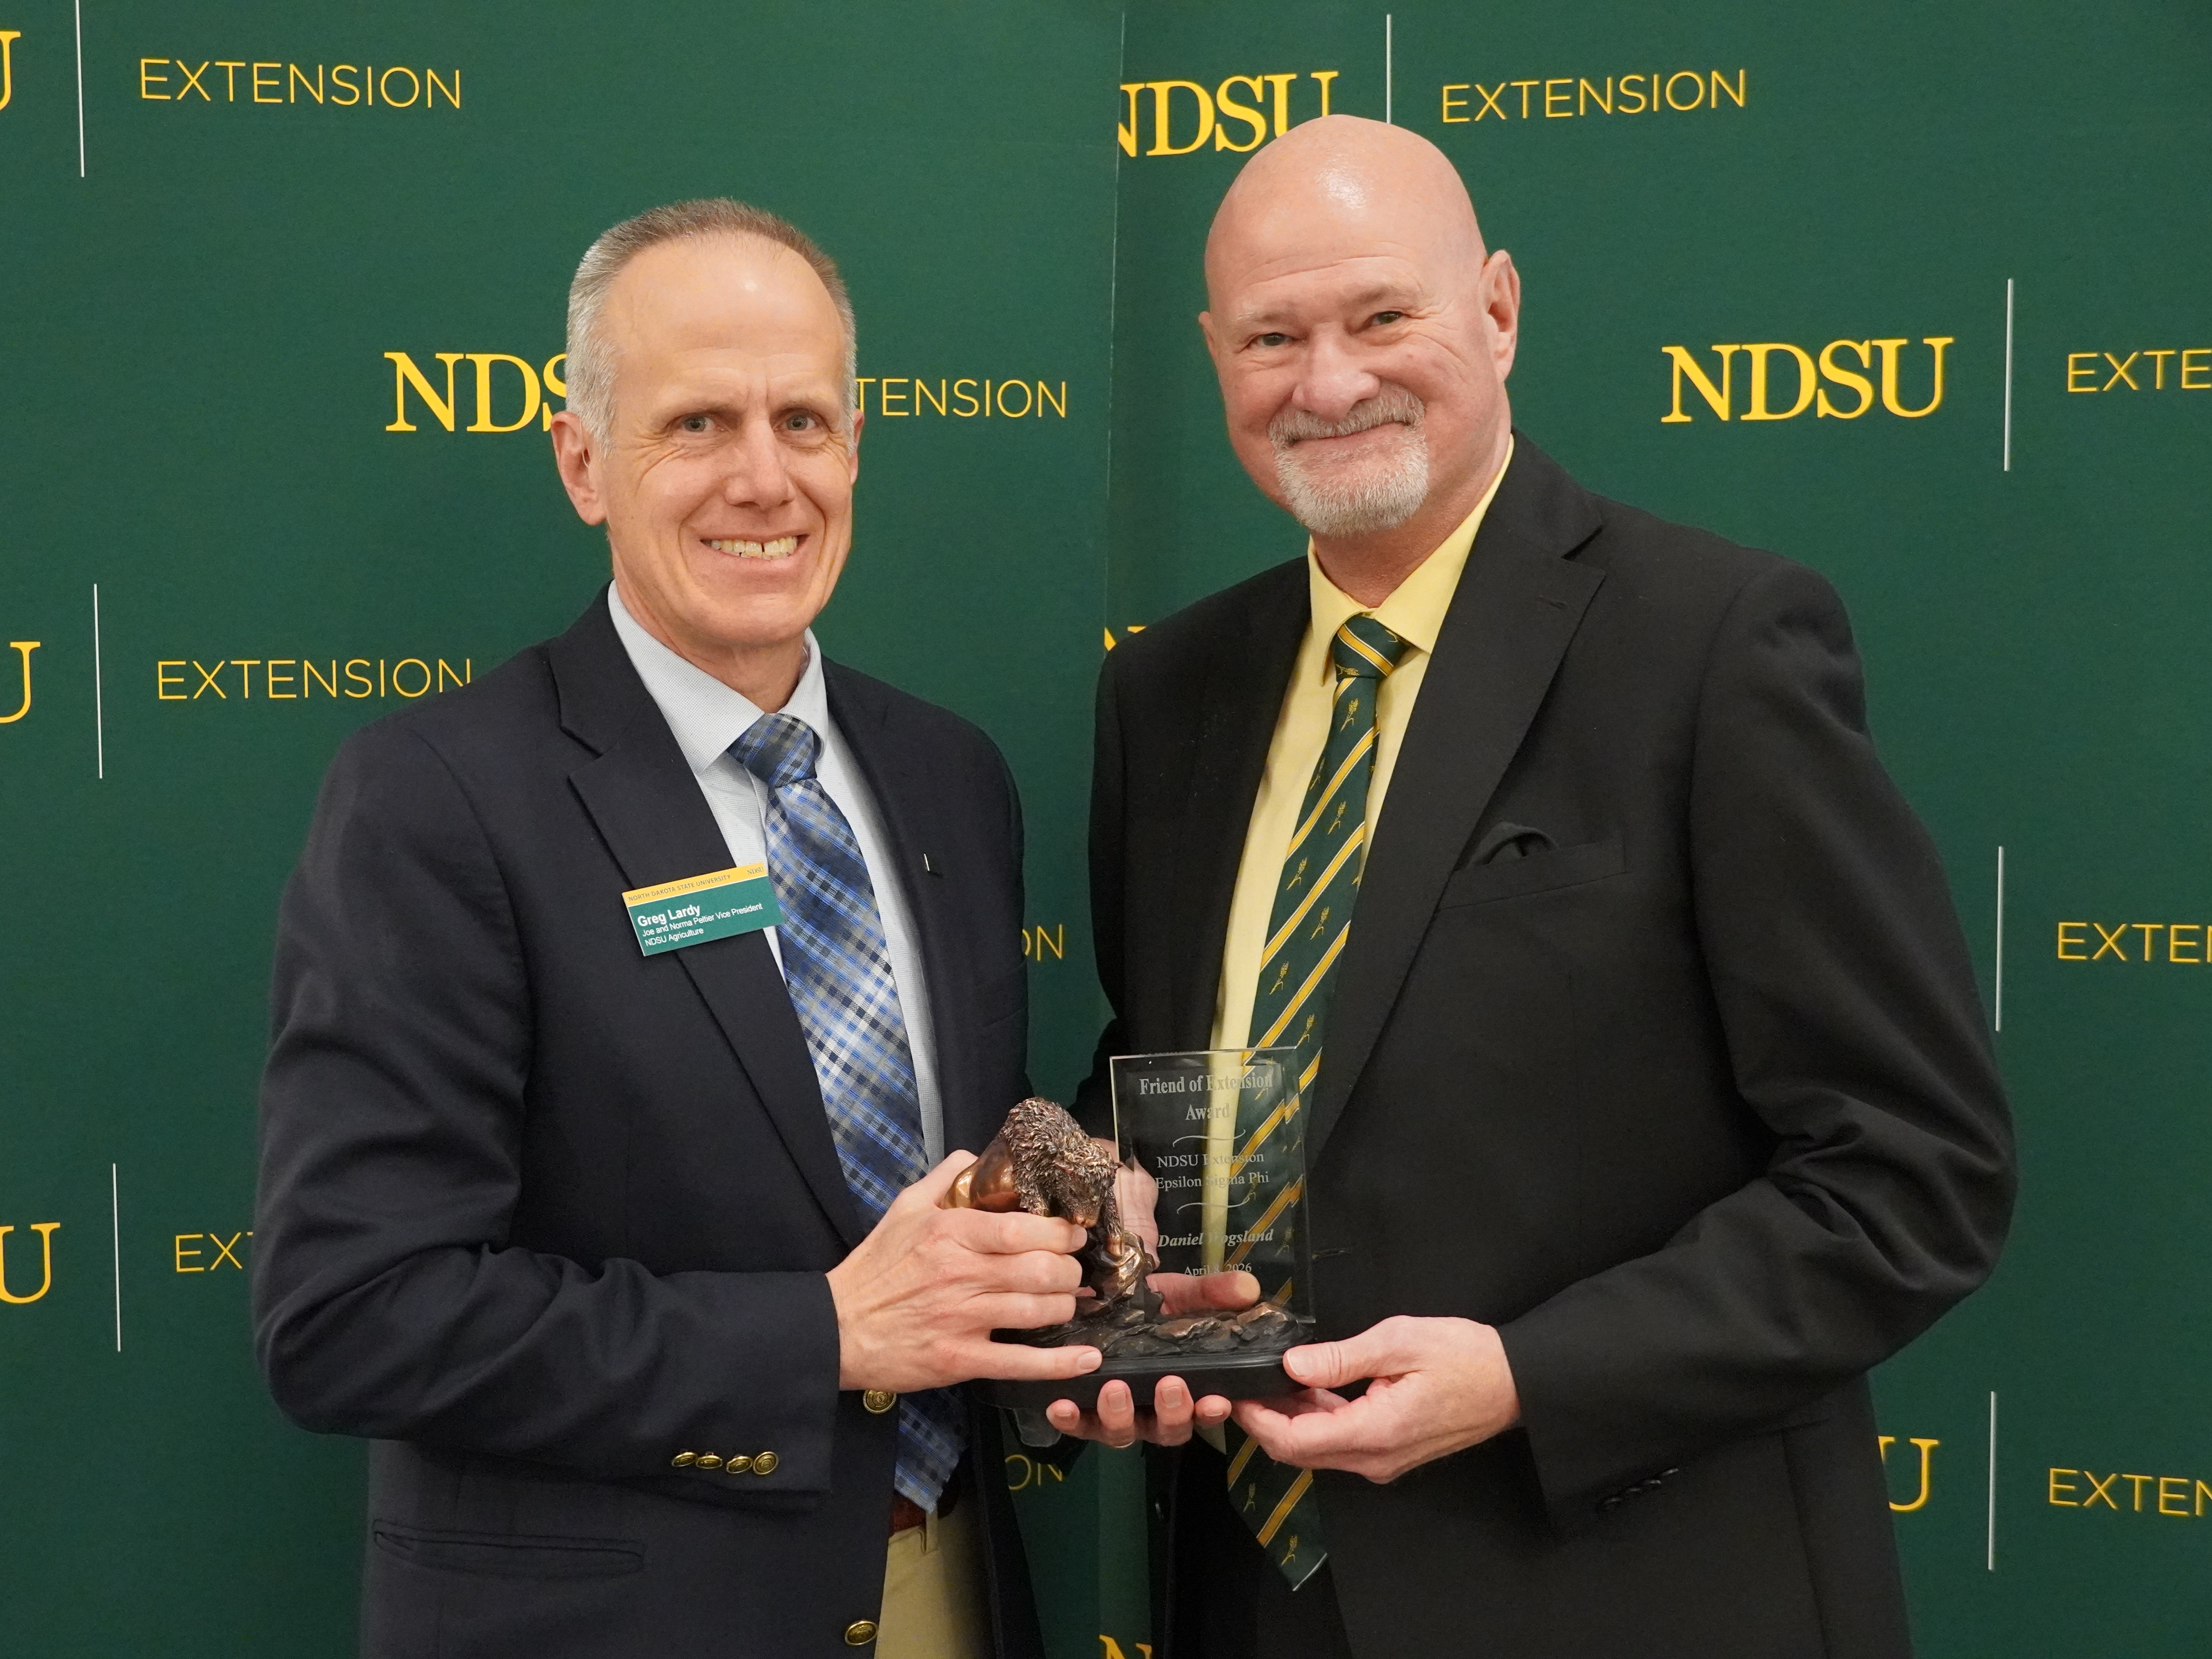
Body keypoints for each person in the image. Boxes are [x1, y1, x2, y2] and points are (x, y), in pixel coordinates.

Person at [1051, 117, 2015, 1659]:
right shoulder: (1167, 693)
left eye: (1382, 316)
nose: (1329, 382)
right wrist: (1103, 1250)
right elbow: (1174, 1074)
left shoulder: (1715, 647)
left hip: (1626, 1589)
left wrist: (1527, 1378)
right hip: (1250, 1596)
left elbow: (1913, 1175)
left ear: (1497, 308)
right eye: (1272, 337)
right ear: (1214, 356)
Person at [252, 198, 1099, 1659]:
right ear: (584, 460)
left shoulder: (950, 779)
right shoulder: (438, 797)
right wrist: (820, 1337)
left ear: (855, 448)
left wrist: (1081, 1274)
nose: (763, 479)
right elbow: (352, 1312)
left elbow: (923, 1222)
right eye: (697, 424)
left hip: (953, 1593)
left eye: (805, 421)